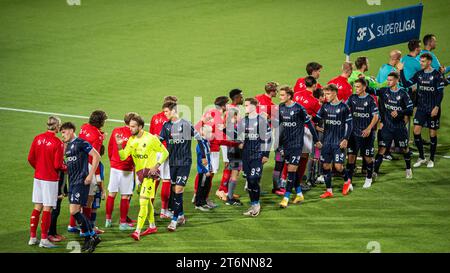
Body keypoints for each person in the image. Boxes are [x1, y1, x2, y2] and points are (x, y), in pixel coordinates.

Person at [117, 115, 169, 241]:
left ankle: (137, 231)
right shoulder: (131, 140)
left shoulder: (151, 138)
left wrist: (156, 166)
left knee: (143, 202)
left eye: (133, 126)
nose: (130, 128)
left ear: (140, 127)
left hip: (150, 175)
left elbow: (165, 152)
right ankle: (152, 226)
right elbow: (123, 156)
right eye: (130, 126)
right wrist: (119, 146)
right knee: (147, 201)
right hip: (140, 175)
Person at [159, 101, 207, 231]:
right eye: (164, 112)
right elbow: (159, 141)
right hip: (172, 163)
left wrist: (203, 156)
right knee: (175, 191)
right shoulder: (166, 126)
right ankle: (180, 215)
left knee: (178, 190)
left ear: (174, 111)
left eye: (166, 111)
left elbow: (199, 139)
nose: (165, 114)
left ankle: (174, 221)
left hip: (184, 163)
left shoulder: (185, 124)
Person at [398, 53, 446, 168]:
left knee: (432, 133)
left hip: (433, 108)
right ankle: (422, 156)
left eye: (423, 61)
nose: (421, 63)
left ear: (429, 62)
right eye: (420, 61)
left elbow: (440, 93)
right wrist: (401, 71)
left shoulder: (437, 75)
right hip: (421, 108)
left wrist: (436, 107)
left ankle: (432, 159)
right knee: (416, 131)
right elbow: (406, 84)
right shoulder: (418, 74)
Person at [61, 122, 101, 252]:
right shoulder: (67, 147)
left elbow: (96, 156)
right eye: (61, 133)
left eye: (64, 132)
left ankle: (92, 236)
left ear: (71, 130)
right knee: (78, 212)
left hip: (81, 181)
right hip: (72, 182)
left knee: (74, 211)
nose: (62, 135)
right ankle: (90, 238)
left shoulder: (81, 142)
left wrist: (90, 175)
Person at [278, 86, 321, 208]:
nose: (280, 97)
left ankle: (285, 198)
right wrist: (279, 144)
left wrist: (316, 140)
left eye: (282, 95)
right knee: (293, 172)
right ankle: (299, 193)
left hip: (297, 144)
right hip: (286, 144)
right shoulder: (280, 108)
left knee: (291, 170)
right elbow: (280, 127)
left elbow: (310, 125)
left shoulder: (299, 109)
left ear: (289, 96)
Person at [367, 72, 414, 179]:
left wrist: (400, 112)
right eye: (387, 80)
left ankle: (408, 168)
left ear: (397, 81)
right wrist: (366, 81)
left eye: (390, 80)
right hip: (387, 127)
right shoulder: (384, 91)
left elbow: (410, 109)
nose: (388, 82)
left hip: (399, 128)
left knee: (404, 149)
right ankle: (375, 172)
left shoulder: (403, 94)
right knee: (382, 149)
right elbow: (370, 90)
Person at [27, 116, 65, 248]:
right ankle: (44, 239)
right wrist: (67, 167)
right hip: (50, 179)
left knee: (37, 207)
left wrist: (39, 168)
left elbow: (30, 158)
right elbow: (57, 165)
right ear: (57, 127)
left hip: (37, 177)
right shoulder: (57, 142)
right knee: (47, 208)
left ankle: (32, 237)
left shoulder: (37, 138)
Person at [313, 84, 353, 198]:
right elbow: (317, 118)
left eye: (328, 94)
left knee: (338, 167)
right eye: (325, 94)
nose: (326, 96)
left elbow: (349, 124)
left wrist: (345, 139)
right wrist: (309, 116)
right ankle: (329, 191)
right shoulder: (325, 106)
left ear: (335, 93)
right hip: (326, 142)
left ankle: (346, 181)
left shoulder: (344, 107)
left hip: (338, 142)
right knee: (325, 166)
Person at [74, 110, 107, 233]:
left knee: (77, 198)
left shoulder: (84, 127)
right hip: (88, 167)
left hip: (77, 164)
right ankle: (87, 228)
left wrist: (101, 135)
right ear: (101, 122)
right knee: (89, 199)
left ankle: (74, 225)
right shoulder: (97, 136)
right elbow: (95, 157)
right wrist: (94, 175)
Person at [238, 98, 271, 216]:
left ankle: (256, 204)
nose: (245, 107)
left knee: (253, 179)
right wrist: (240, 142)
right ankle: (253, 204)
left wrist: (266, 154)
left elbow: (267, 138)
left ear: (254, 106)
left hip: (257, 155)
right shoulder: (243, 121)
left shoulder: (261, 121)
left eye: (247, 105)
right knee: (249, 181)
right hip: (246, 156)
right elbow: (239, 136)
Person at [105, 112, 138, 230]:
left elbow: (109, 147)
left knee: (111, 194)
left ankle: (108, 220)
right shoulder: (133, 134)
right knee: (125, 196)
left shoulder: (115, 131)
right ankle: (122, 223)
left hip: (114, 167)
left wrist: (112, 161)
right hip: (127, 169)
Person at [346, 79, 379, 188]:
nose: (356, 89)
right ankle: (349, 180)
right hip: (353, 133)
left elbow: (376, 116)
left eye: (358, 87)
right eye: (355, 86)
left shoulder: (370, 99)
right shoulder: (352, 98)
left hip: (366, 133)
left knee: (367, 157)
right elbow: (344, 109)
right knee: (351, 156)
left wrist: (369, 128)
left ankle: (369, 178)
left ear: (364, 87)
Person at [150, 96, 178, 219]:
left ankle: (149, 207)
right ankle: (164, 210)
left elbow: (151, 135)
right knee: (166, 180)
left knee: (155, 180)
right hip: (166, 151)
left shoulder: (155, 117)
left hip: (155, 151)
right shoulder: (171, 119)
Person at [293, 76, 322, 191]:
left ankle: (286, 179)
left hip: (293, 128)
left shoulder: (296, 95)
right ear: (314, 85)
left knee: (292, 155)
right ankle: (298, 182)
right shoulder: (315, 102)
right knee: (304, 156)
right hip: (306, 129)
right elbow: (318, 118)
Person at [222, 88, 245, 206]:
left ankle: (228, 194)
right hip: (234, 147)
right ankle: (229, 198)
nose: (243, 98)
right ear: (236, 97)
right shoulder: (232, 110)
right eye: (241, 96)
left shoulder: (230, 109)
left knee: (233, 171)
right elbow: (228, 129)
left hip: (231, 146)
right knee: (235, 172)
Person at [194, 125, 214, 211]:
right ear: (203, 133)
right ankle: (198, 204)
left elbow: (208, 157)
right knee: (201, 187)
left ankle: (203, 202)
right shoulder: (201, 144)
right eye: (209, 132)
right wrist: (206, 170)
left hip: (207, 169)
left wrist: (210, 168)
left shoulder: (206, 142)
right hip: (203, 171)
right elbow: (200, 160)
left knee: (206, 186)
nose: (211, 134)